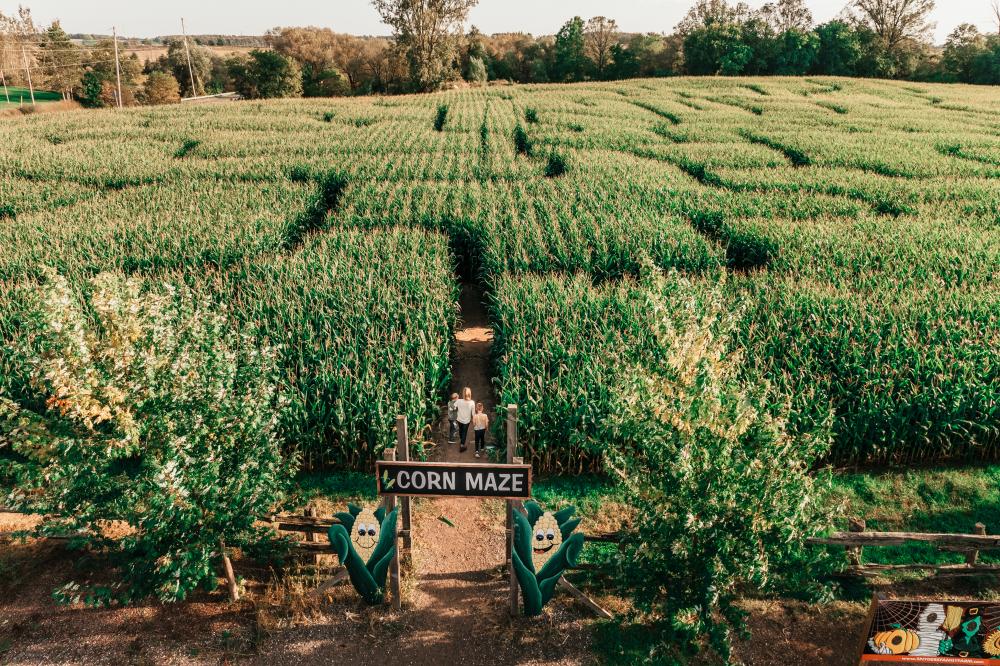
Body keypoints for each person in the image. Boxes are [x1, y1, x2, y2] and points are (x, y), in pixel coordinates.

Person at [455, 387, 475, 453]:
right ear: (470, 394)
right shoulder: (472, 402)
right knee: (464, 432)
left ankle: (461, 440)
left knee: (461, 430)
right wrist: (474, 420)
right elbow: (473, 414)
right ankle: (462, 445)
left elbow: (454, 407)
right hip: (466, 421)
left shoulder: (458, 401)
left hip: (459, 419)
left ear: (463, 393)